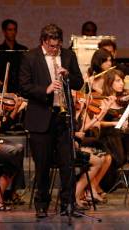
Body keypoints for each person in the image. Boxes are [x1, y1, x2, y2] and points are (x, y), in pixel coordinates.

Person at [18, 24, 84, 218]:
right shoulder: (30, 57)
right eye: (51, 46)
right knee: (43, 165)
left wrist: (67, 75)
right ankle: (41, 206)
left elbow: (79, 82)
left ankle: (68, 205)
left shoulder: (68, 55)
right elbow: (23, 87)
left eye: (57, 46)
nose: (55, 50)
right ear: (43, 41)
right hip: (40, 118)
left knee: (67, 164)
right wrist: (45, 90)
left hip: (63, 117)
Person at [0, 19, 28, 94]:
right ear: (4, 31)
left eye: (14, 30)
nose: (13, 32)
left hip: (20, 89)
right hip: (1, 90)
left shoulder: (23, 50)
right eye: (10, 30)